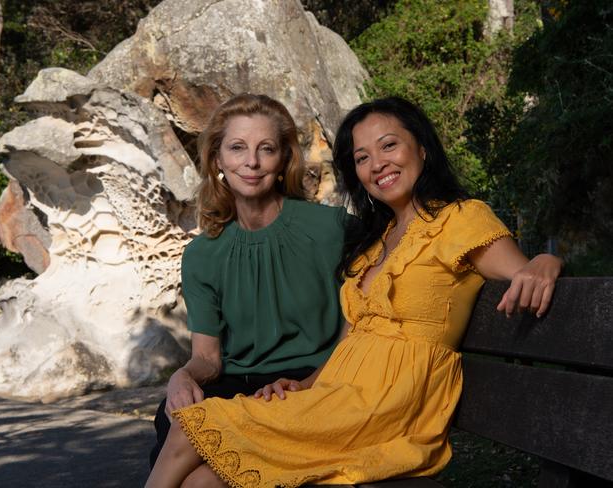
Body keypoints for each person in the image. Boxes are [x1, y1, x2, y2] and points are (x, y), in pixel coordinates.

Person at [146, 96, 563, 487]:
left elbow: (522, 270)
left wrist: (548, 262)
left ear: (422, 149)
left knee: (189, 427)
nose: (377, 163)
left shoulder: (460, 219)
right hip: (338, 392)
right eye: (362, 158)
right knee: (203, 479)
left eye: (389, 146)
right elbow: (351, 342)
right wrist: (304, 384)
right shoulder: (375, 242)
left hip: (387, 402)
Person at [149, 94, 348, 468]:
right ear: (217, 159)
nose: (252, 162)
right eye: (237, 148)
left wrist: (497, 273)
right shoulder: (202, 255)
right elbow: (207, 358)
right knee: (173, 414)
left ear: (284, 159)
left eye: (266, 149)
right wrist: (182, 375)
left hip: (311, 384)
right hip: (234, 386)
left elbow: (402, 253)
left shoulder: (331, 229)